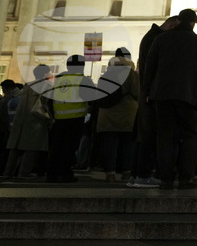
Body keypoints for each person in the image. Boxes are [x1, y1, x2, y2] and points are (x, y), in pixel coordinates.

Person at [142, 8, 197, 190]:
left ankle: (166, 178)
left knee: (165, 137)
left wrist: (147, 92)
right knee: (190, 136)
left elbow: (149, 68)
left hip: (163, 96)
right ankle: (186, 178)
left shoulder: (161, 39)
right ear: (193, 24)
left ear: (177, 22)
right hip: (188, 97)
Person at [130, 15, 178, 188]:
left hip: (148, 93)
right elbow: (155, 67)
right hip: (152, 95)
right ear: (172, 26)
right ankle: (142, 175)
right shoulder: (157, 39)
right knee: (149, 135)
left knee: (145, 135)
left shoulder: (151, 37)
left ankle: (137, 174)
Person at [45, 55, 96, 183]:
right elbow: (91, 99)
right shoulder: (82, 80)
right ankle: (65, 173)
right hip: (76, 118)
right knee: (70, 147)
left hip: (59, 118)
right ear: (82, 66)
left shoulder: (58, 79)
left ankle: (51, 174)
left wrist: (53, 115)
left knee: (56, 147)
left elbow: (49, 100)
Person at [96, 49, 139, 183]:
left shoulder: (106, 75)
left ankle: (110, 174)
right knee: (128, 145)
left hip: (107, 114)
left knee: (110, 144)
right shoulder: (132, 75)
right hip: (128, 114)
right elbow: (138, 93)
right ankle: (127, 172)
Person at [4, 64, 52, 178]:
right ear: (45, 74)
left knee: (15, 148)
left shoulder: (28, 85)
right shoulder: (46, 86)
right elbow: (46, 104)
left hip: (21, 118)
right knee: (32, 148)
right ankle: (24, 172)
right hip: (36, 119)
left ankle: (8, 171)